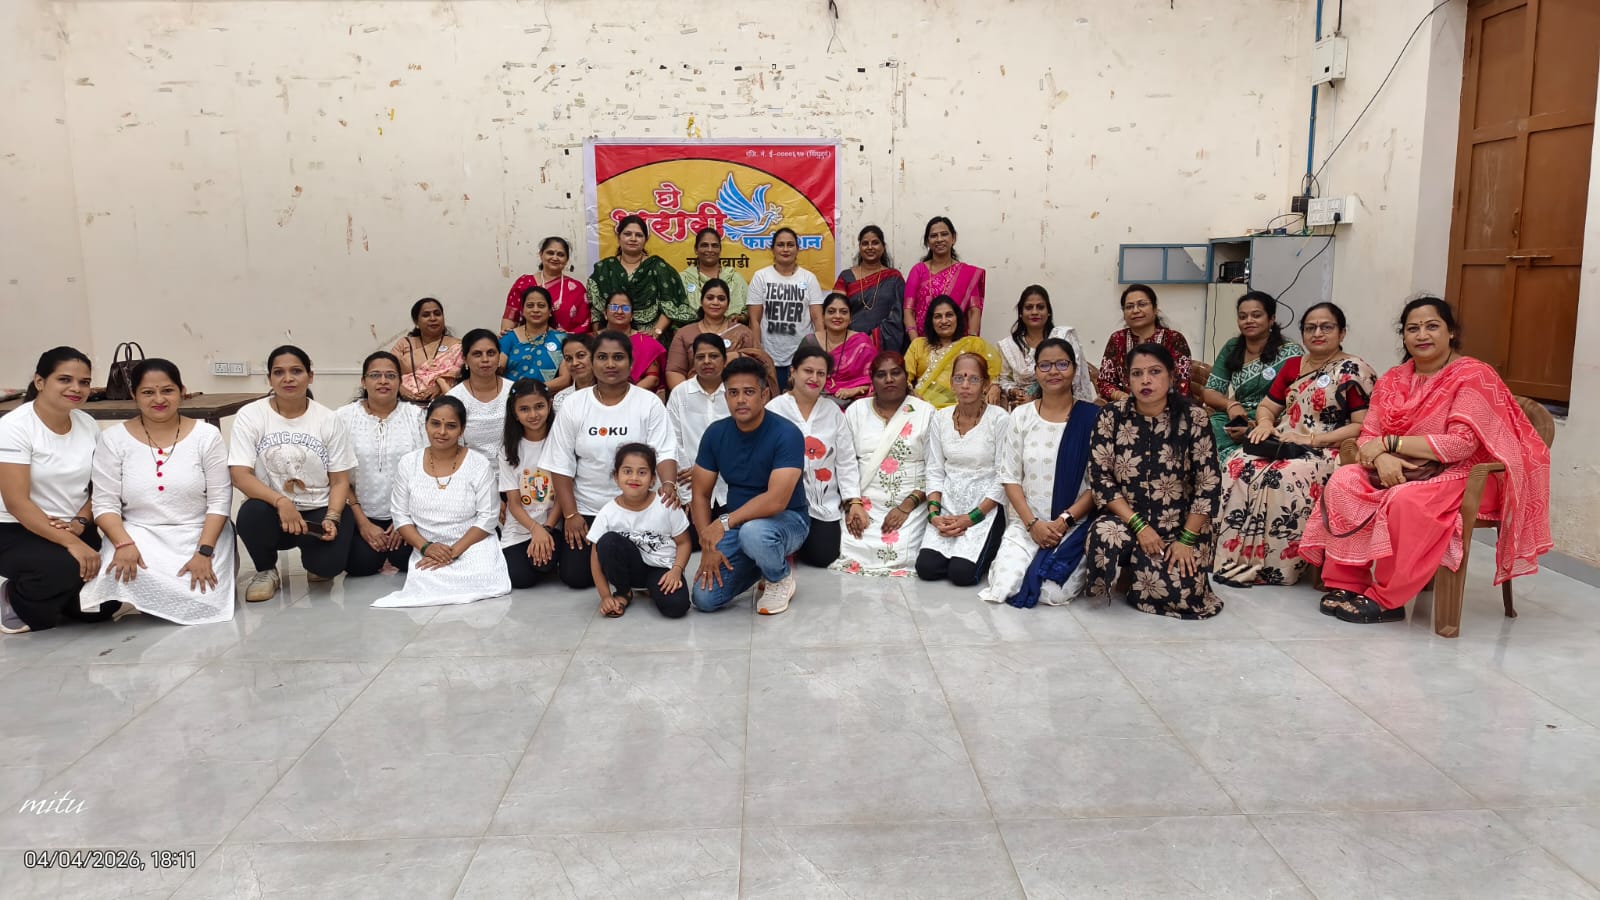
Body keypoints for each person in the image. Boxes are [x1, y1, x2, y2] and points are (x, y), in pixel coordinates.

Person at [1302, 296, 1552, 624]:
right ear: (1403, 336)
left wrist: (1389, 444)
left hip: (1467, 475)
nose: (1422, 335)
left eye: (1432, 326)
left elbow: (1461, 445)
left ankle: (1388, 598)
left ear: (1451, 332)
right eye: (1413, 328)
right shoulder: (1393, 379)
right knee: (1343, 481)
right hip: (1399, 468)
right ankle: (1347, 582)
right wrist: (1382, 459)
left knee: (1404, 500)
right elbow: (1368, 435)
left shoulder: (1473, 375)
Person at [1211, 302, 1377, 587]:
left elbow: (1361, 425)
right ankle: (1231, 559)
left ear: (1342, 333)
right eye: (1310, 328)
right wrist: (1265, 423)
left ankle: (1274, 568)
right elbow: (1267, 407)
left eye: (1326, 327)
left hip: (1328, 448)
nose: (1317, 333)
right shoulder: (1293, 366)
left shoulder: (1352, 369)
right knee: (1237, 464)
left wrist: (1311, 439)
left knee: (1283, 476)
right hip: (1285, 441)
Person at [82, 359, 237, 625]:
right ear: (134, 395)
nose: (159, 399)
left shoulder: (206, 436)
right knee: (120, 572)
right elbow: (104, 504)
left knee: (204, 599)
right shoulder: (114, 439)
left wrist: (204, 552)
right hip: (139, 534)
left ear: (182, 391)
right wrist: (123, 543)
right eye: (148, 392)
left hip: (199, 533)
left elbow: (220, 501)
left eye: (167, 390)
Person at [1083, 343, 1223, 619]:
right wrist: (1139, 526)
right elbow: (1101, 478)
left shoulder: (1193, 417)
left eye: (1155, 372)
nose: (1145, 380)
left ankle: (1140, 572)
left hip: (1180, 525)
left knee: (1184, 599)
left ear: (1171, 376)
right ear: (1128, 379)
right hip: (1129, 520)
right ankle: (1133, 567)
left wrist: (1186, 540)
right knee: (1104, 534)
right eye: (1137, 374)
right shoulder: (1111, 416)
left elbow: (1208, 483)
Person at [544, 330, 679, 589]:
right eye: (602, 357)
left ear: (631, 362)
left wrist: (669, 484)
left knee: (645, 566)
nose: (610, 364)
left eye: (618, 357)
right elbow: (560, 463)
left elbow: (664, 452)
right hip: (589, 507)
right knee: (575, 577)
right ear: (592, 362)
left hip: (638, 505)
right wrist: (571, 514)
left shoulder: (648, 403)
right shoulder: (574, 404)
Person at [0, 348, 120, 633]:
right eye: (64, 379)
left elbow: (99, 485)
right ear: (40, 382)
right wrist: (72, 543)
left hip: (74, 525)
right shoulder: (13, 428)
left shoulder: (86, 423)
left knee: (104, 606)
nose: (76, 388)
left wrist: (80, 522)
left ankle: (61, 594)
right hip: (17, 528)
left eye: (84, 382)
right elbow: (16, 502)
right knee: (66, 569)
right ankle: (13, 597)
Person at [230, 345, 357, 603]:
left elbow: (340, 480)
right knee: (251, 514)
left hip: (318, 509)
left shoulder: (328, 419)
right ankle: (266, 570)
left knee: (328, 568)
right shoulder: (251, 416)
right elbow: (240, 475)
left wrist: (332, 517)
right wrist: (281, 502)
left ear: (310, 376)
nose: (288, 378)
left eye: (296, 371)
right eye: (279, 372)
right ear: (269, 379)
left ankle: (315, 560)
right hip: (272, 511)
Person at [980, 338, 1100, 607]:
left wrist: (1064, 520)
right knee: (1004, 586)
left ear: (1074, 369)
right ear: (1035, 371)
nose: (1053, 371)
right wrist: (1032, 524)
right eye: (1045, 365)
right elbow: (1010, 478)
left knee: (1051, 592)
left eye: (1062, 364)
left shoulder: (1092, 418)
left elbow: (1098, 484)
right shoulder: (1021, 416)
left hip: (1070, 526)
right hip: (1027, 523)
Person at [689, 358, 810, 615]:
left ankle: (779, 576)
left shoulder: (787, 433)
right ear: (726, 397)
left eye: (749, 392)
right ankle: (761, 563)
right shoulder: (715, 433)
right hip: (738, 524)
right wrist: (708, 544)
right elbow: (700, 493)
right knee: (704, 598)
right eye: (733, 393)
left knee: (754, 533)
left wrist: (723, 523)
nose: (741, 400)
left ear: (764, 395)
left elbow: (776, 500)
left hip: (788, 520)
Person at [372, 397, 511, 608]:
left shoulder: (478, 464)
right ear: (426, 425)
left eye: (451, 426)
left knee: (482, 577)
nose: (442, 432)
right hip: (427, 542)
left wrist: (453, 551)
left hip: (471, 542)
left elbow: (488, 517)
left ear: (462, 429)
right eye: (435, 424)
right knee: (428, 579)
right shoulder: (408, 463)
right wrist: (426, 547)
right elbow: (400, 515)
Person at [832, 352, 936, 576]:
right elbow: (844, 462)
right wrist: (853, 503)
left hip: (910, 502)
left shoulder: (925, 412)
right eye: (881, 375)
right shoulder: (857, 411)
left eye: (895, 373)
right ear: (872, 380)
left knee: (901, 551)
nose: (889, 379)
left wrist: (906, 506)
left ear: (906, 377)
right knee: (851, 546)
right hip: (862, 501)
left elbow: (935, 468)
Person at [916, 353, 1011, 586]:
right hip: (948, 503)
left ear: (986, 384)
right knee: (927, 568)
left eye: (973, 379)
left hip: (985, 507)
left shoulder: (999, 419)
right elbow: (935, 469)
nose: (965, 385)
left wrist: (972, 518)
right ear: (952, 383)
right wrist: (935, 515)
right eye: (959, 378)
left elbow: (1004, 475)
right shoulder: (940, 418)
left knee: (962, 574)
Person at [768, 345, 861, 568]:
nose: (814, 378)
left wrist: (853, 500)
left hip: (822, 502)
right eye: (808, 371)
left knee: (823, 557)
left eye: (821, 373)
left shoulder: (833, 411)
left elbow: (846, 460)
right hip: (782, 501)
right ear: (793, 371)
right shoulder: (774, 409)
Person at [339, 351, 426, 578]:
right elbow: (336, 476)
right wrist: (363, 523)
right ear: (363, 381)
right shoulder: (343, 418)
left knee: (406, 559)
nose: (383, 381)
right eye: (375, 375)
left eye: (391, 375)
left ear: (400, 381)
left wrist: (405, 521)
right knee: (360, 564)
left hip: (409, 511)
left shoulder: (417, 417)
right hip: (359, 510)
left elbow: (427, 471)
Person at [589, 444, 692, 618]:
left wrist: (676, 570)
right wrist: (605, 596)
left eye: (642, 472)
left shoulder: (666, 504)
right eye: (627, 471)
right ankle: (624, 592)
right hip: (631, 569)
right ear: (616, 477)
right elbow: (595, 556)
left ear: (653, 479)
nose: (634, 478)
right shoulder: (607, 512)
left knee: (677, 607)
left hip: (661, 568)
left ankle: (651, 589)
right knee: (607, 541)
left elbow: (684, 542)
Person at [1201, 290, 1304, 462]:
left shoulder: (1290, 352)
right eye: (1243, 317)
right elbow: (1211, 391)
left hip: (1276, 421)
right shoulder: (1232, 347)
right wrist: (1231, 405)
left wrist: (1258, 424)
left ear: (1271, 319)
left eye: (1256, 315)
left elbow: (1298, 400)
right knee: (1203, 431)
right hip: (1237, 416)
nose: (1248, 320)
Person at [499, 380, 560, 589]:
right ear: (514, 413)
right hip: (522, 526)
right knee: (520, 578)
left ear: (549, 405)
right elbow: (514, 504)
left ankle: (551, 559)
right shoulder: (508, 449)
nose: (533, 414)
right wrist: (535, 529)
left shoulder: (560, 442)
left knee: (547, 565)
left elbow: (563, 494)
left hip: (553, 523)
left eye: (539, 406)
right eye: (524, 409)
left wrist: (546, 529)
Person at [747, 226, 825, 390]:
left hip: (802, 357)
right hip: (769, 356)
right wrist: (758, 353)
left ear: (797, 249)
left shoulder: (809, 278)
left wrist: (820, 353)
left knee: (799, 401)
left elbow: (817, 319)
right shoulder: (761, 277)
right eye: (780, 245)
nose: (785, 249)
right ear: (773, 249)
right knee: (770, 400)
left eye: (790, 245)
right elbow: (754, 320)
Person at [667, 334, 731, 525]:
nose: (707, 361)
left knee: (731, 535)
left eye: (714, 356)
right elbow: (672, 439)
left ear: (724, 359)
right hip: (690, 486)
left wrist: (708, 471)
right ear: (693, 361)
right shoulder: (680, 393)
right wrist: (687, 494)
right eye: (700, 357)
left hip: (731, 487)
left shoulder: (734, 392)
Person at [997, 285, 1095, 407]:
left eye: (1040, 307)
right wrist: (1015, 392)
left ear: (1048, 312)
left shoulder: (1063, 337)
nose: (1034, 312)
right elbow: (1005, 379)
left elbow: (1074, 377)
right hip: (1022, 407)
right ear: (1020, 313)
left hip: (1062, 405)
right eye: (1029, 307)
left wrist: (1035, 398)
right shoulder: (1008, 346)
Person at [664, 279, 771, 390]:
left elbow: (760, 365)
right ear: (701, 301)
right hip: (694, 394)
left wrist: (736, 356)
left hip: (735, 395)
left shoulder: (743, 333)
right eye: (710, 298)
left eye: (721, 299)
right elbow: (674, 371)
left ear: (728, 304)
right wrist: (689, 395)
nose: (715, 302)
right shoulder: (684, 334)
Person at [587, 215, 679, 340]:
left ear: (646, 239)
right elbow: (596, 309)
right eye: (627, 234)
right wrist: (599, 336)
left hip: (649, 337)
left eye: (639, 235)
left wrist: (656, 332)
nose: (633, 239)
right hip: (610, 337)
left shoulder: (657, 267)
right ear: (618, 237)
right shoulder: (605, 268)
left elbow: (671, 305)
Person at [1096, 284, 1193, 402]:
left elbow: (1182, 385)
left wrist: (1151, 404)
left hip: (1168, 406)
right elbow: (1104, 382)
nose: (1135, 310)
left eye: (1142, 304)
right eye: (1129, 306)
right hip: (1125, 405)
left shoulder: (1174, 339)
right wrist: (1123, 397)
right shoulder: (1117, 339)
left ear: (1155, 309)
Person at [905, 295, 1002, 408]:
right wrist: (912, 395)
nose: (944, 321)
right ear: (931, 321)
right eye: (938, 316)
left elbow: (994, 373)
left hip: (962, 408)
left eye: (949, 315)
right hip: (921, 406)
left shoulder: (974, 344)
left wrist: (995, 386)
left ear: (957, 318)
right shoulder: (918, 345)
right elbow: (904, 377)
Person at [904, 216, 985, 339]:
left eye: (944, 234)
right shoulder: (918, 270)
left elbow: (974, 310)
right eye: (934, 236)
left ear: (953, 238)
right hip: (924, 342)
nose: (939, 239)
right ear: (927, 242)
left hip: (958, 343)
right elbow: (908, 310)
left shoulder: (966, 274)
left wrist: (971, 342)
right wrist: (916, 342)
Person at [833, 224, 906, 351]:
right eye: (865, 243)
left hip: (884, 347)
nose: (870, 247)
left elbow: (898, 315)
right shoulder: (846, 277)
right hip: (850, 345)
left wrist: (874, 339)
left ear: (883, 247)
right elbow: (835, 310)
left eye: (875, 243)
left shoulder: (894, 278)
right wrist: (855, 340)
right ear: (860, 247)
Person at [799, 291, 876, 405]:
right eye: (831, 311)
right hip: (815, 401)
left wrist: (856, 390)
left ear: (850, 318)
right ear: (823, 316)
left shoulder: (862, 343)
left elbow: (875, 380)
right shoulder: (810, 342)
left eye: (843, 312)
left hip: (852, 404)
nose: (837, 316)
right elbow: (798, 377)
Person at [446, 328, 513, 459]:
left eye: (491, 353)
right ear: (465, 359)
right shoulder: (454, 398)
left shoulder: (514, 391)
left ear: (499, 356)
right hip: (470, 468)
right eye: (477, 354)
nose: (485, 359)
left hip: (514, 467)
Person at [503, 236, 591, 335]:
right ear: (541, 255)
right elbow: (510, 318)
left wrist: (565, 337)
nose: (555, 258)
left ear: (567, 259)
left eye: (561, 255)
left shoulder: (577, 289)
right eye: (550, 253)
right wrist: (507, 337)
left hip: (564, 343)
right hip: (525, 342)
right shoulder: (524, 283)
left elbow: (585, 325)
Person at [498, 284, 572, 389]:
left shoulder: (562, 339)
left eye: (541, 306)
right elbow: (497, 370)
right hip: (513, 394)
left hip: (547, 395)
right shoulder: (509, 337)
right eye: (530, 306)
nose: (535, 310)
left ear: (550, 311)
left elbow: (565, 379)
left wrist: (535, 390)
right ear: (522, 311)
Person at [391, 297, 463, 403]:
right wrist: (400, 388)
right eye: (426, 315)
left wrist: (439, 387)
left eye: (437, 314)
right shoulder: (405, 344)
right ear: (416, 322)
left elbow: (462, 375)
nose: (433, 318)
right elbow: (388, 370)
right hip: (406, 403)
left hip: (445, 403)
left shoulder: (457, 345)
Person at [599, 290, 666, 395]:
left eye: (625, 308)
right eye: (614, 307)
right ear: (605, 313)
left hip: (637, 397)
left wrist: (626, 395)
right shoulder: (592, 340)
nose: (619, 312)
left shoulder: (645, 342)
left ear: (632, 315)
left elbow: (653, 379)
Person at [679, 227, 750, 325]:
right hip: (693, 332)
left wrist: (740, 318)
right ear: (696, 250)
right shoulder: (684, 278)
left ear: (720, 250)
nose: (710, 250)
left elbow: (751, 310)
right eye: (704, 245)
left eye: (714, 246)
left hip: (730, 331)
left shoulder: (734, 278)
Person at [550, 333, 594, 414]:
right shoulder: (561, 399)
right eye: (568, 359)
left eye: (581, 355)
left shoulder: (612, 391)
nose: (574, 363)